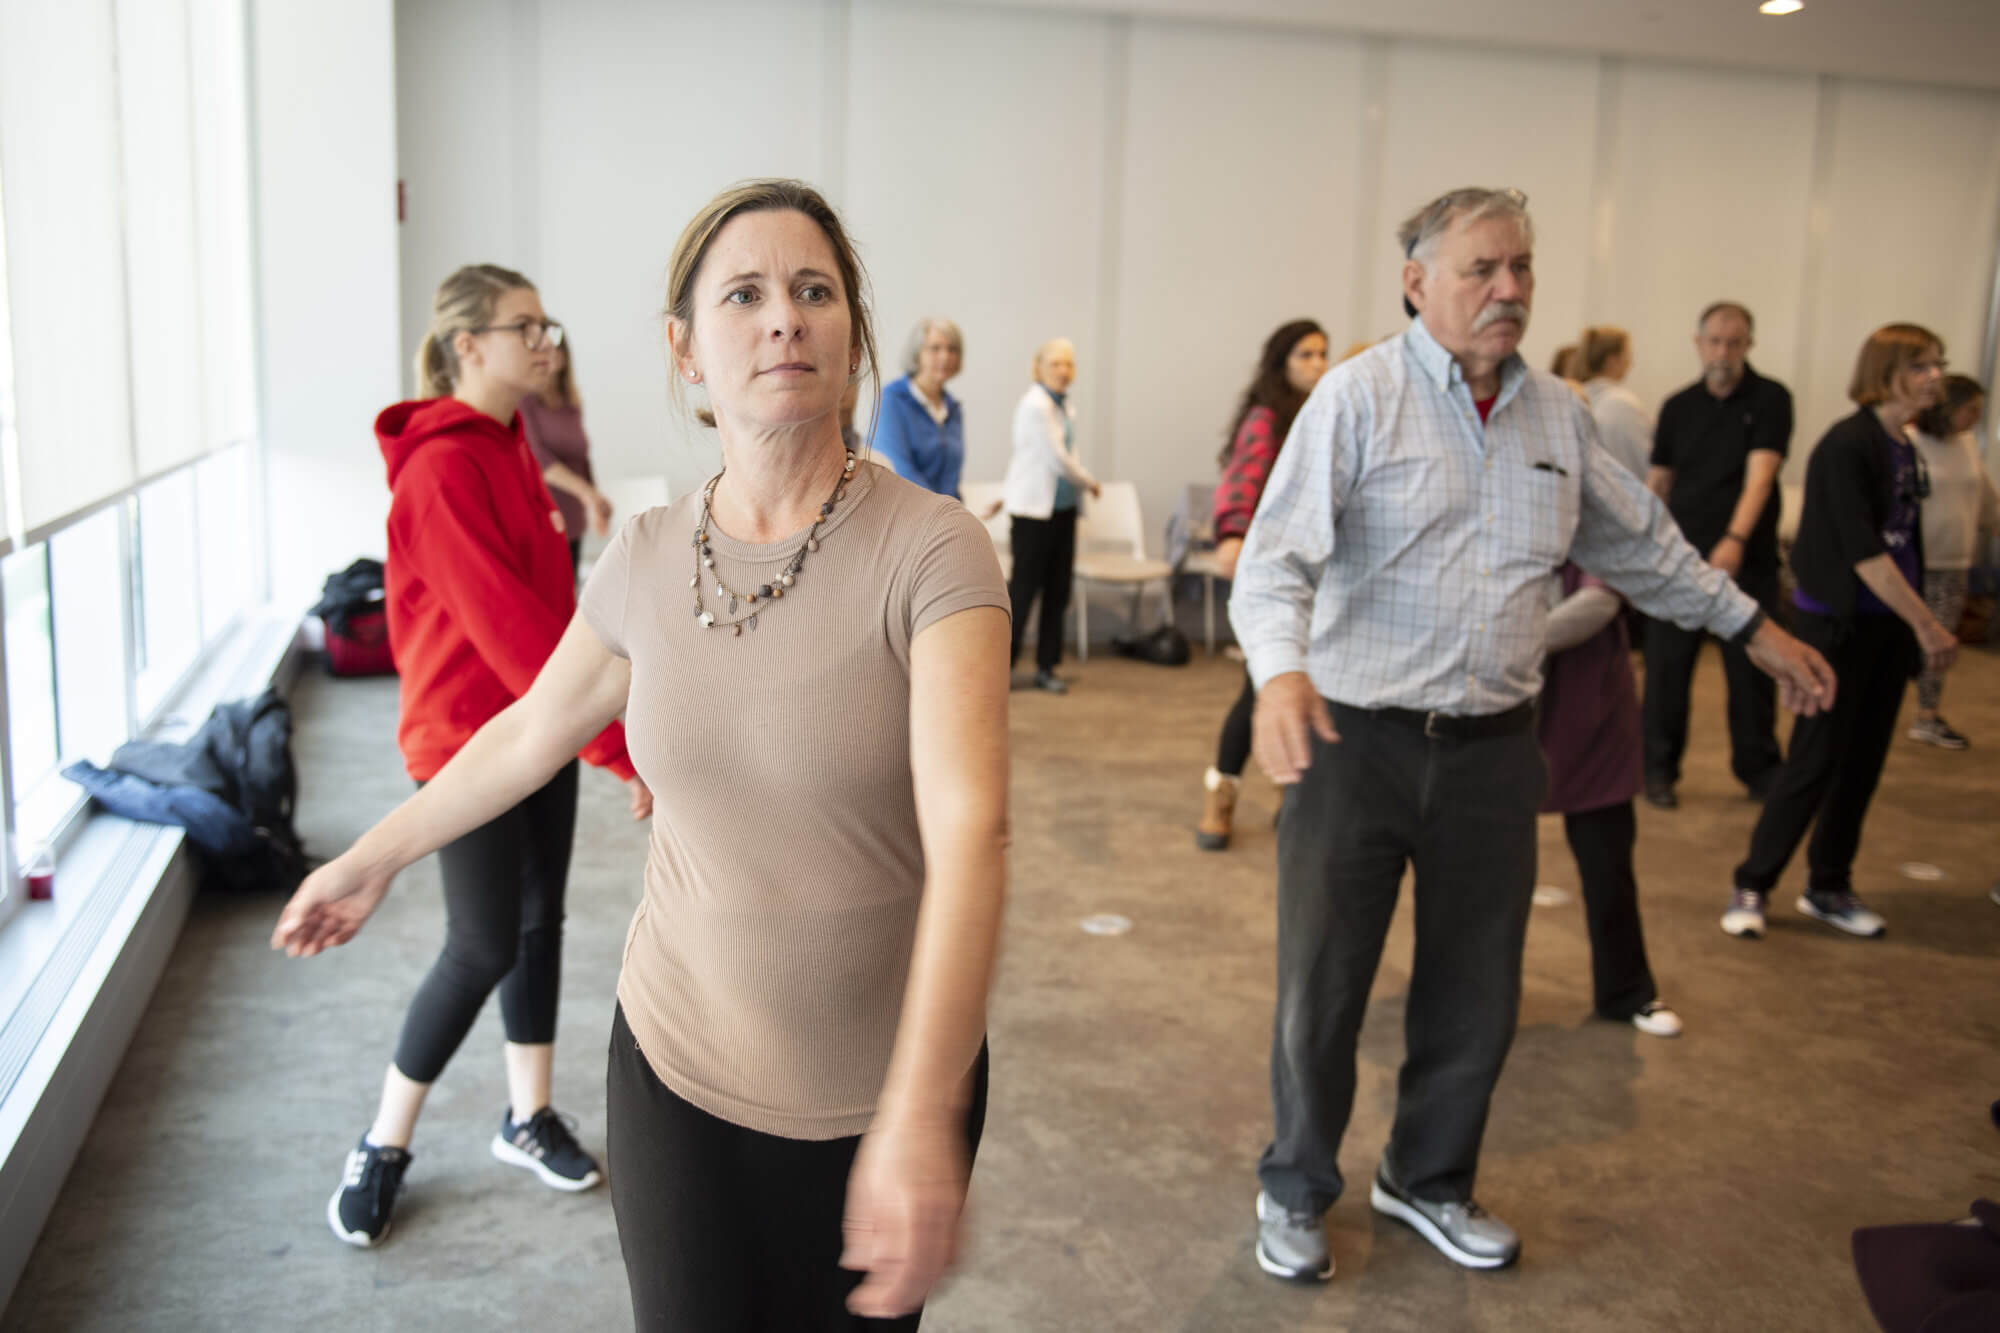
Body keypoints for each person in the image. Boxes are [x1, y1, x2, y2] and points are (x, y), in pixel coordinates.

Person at [276, 180, 1011, 1331]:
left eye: (814, 290)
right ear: (684, 347)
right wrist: (374, 855)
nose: (784, 317)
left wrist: (922, 1110)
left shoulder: (933, 551)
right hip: (675, 1067)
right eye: (744, 294)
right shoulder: (648, 553)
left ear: (852, 331)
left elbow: (973, 836)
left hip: (878, 1095)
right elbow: (529, 729)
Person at [1231, 186, 1833, 1283]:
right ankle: (1296, 1185)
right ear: (1417, 283)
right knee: (1322, 987)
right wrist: (1278, 675)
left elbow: (1643, 544)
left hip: (1496, 747)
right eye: (1481, 269)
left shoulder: (1557, 413)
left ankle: (1426, 1177)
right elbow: (1274, 562)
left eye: (1521, 268)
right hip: (1353, 743)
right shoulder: (1359, 398)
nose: (1507, 288)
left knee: (1476, 989)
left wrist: (1751, 628)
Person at [311, 263, 650, 1249]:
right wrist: (621, 747)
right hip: (468, 745)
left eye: (548, 326)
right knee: (481, 942)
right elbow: (512, 634)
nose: (547, 343)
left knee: (540, 923)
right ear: (469, 345)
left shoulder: (511, 446)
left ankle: (525, 1114)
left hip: (535, 733)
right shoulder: (440, 469)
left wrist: (595, 730)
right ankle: (383, 1141)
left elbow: (558, 622)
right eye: (524, 327)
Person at [1725, 324, 1959, 942]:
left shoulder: (1904, 445)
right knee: (1814, 759)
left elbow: (1903, 545)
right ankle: (1752, 883)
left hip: (1886, 631)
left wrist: (1911, 626)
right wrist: (1929, 624)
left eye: (1938, 364)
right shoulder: (1846, 445)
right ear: (1887, 372)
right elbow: (1866, 554)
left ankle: (1828, 885)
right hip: (1835, 630)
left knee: (1863, 764)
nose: (1935, 377)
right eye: (1921, 366)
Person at [1642, 301, 1793, 808]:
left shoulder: (1770, 399)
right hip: (1679, 563)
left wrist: (1735, 539)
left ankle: (1759, 769)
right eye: (1714, 341)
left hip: (1745, 560)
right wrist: (1645, 543)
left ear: (1749, 345)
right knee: (1666, 672)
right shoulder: (1678, 406)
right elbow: (1659, 482)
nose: (1723, 352)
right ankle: (1657, 769)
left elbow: (1761, 477)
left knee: (1751, 672)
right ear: (1698, 343)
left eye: (1733, 342)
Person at [1196, 318, 1329, 850]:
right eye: (1305, 355)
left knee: (1305, 688)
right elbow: (1242, 479)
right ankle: (1222, 793)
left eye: (1322, 354)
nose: (1317, 365)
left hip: (1318, 573)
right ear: (1281, 363)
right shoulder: (1267, 416)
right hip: (1271, 575)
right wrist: (1232, 534)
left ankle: (1291, 797)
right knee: (1260, 685)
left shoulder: (1325, 411)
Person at [1538, 564, 1680, 1037]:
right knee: (1481, 873)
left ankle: (1627, 991)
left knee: (1607, 861)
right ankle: (1468, 995)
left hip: (1590, 701)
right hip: (1498, 704)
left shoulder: (1592, 519)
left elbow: (1598, 601)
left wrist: (1501, 640)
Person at [1003, 337, 1101, 693]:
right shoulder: (1035, 405)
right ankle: (1002, 667)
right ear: (1039, 369)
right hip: (1033, 514)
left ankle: (1047, 667)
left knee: (1058, 592)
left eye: (1068, 364)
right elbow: (1056, 458)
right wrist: (1089, 481)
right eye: (1055, 363)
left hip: (1062, 511)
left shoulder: (1064, 405)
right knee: (1023, 591)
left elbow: (1063, 453)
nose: (1063, 370)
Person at [1907, 374, 1997, 748]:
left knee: (1940, 641)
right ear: (1948, 408)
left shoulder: (1967, 445)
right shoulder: (1909, 441)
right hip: (1910, 561)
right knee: (1895, 639)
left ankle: (1927, 716)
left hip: (1954, 561)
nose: (1976, 418)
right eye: (1970, 410)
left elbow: (1984, 497)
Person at [520, 336, 615, 577]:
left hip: (573, 520)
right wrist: (588, 494)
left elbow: (582, 456)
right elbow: (538, 458)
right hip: (543, 517)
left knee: (570, 589)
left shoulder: (571, 404)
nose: (550, 355)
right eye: (543, 349)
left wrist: (595, 501)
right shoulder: (525, 401)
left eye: (555, 349)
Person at [874, 318, 966, 497]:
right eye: (935, 348)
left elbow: (951, 479)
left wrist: (960, 509)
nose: (945, 357)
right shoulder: (892, 400)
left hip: (944, 510)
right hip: (904, 507)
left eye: (952, 349)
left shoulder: (953, 408)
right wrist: (943, 509)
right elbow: (898, 469)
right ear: (917, 354)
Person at [1575, 326, 1652, 481]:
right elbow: (1645, 465)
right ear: (1612, 361)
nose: (1631, 363)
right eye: (1627, 356)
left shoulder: (1575, 399)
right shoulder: (1622, 405)